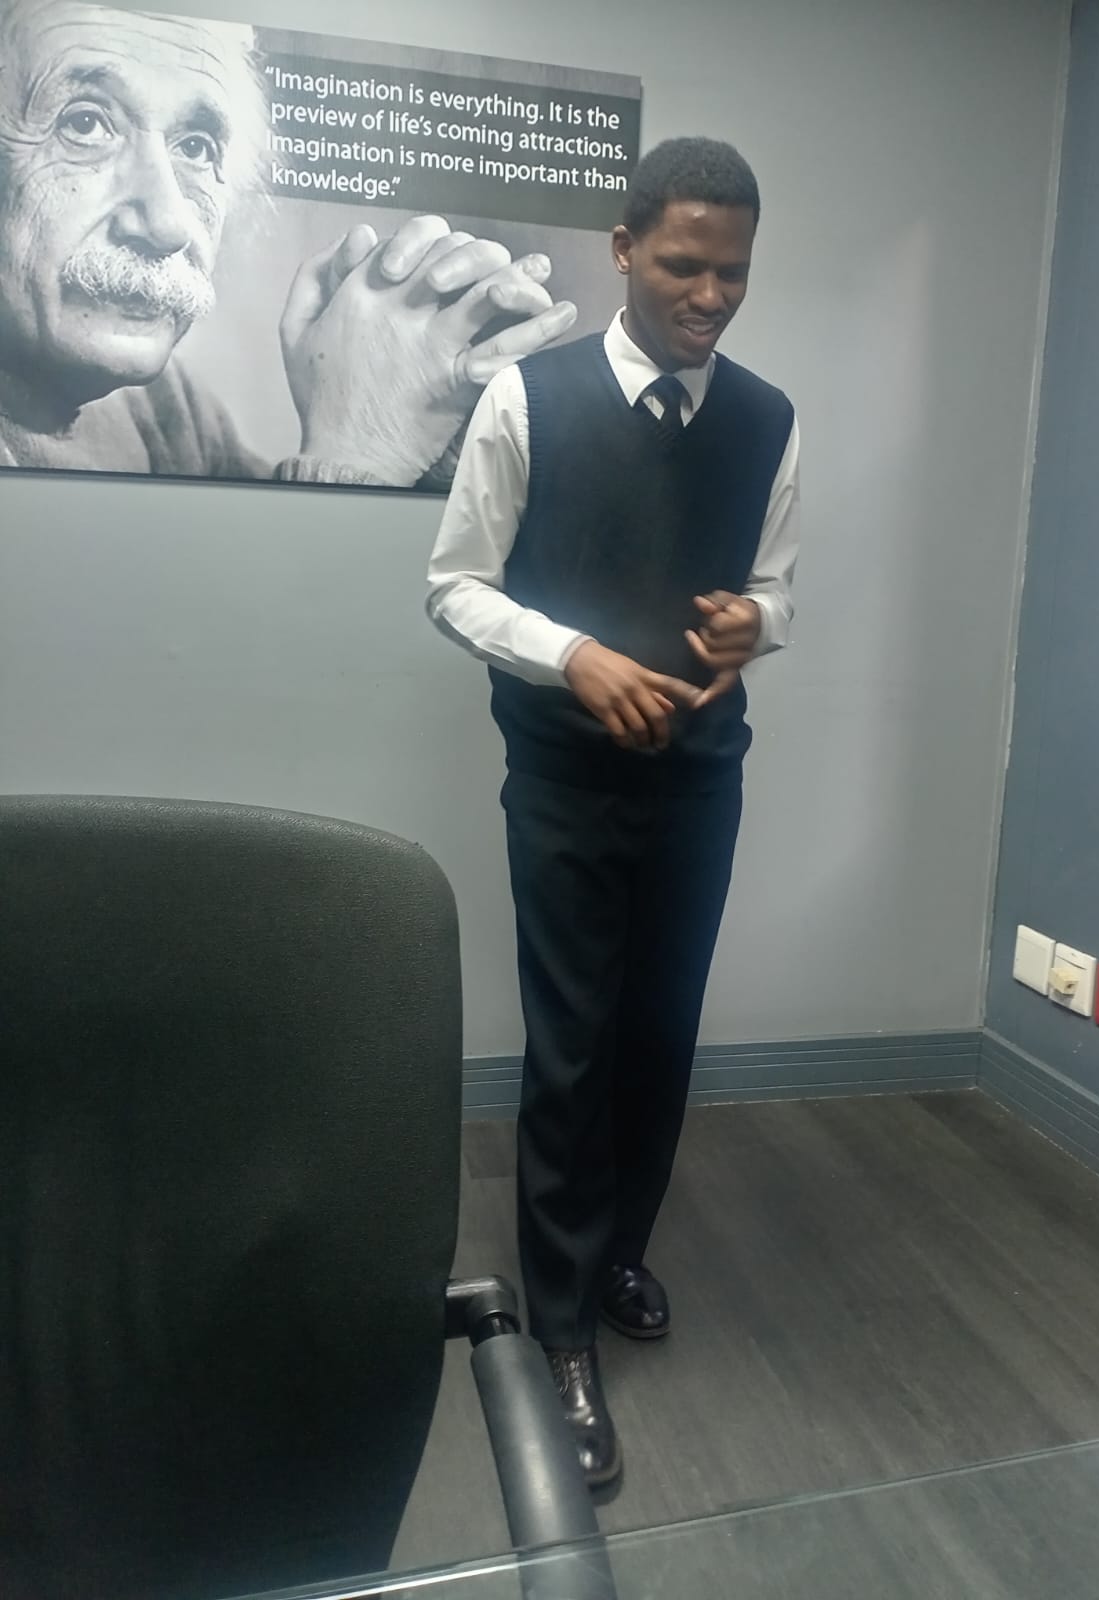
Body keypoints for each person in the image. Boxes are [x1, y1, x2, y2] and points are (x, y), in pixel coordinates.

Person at [426, 137, 799, 1486]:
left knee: (659, 1031)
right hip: (566, 781)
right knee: (573, 1042)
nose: (710, 296)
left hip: (701, 777)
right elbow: (455, 586)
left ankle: (619, 1246)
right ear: (625, 249)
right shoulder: (526, 397)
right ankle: (561, 1322)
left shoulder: (766, 417)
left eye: (733, 273)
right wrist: (573, 655)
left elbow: (777, 583)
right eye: (685, 266)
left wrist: (757, 623)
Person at [0, 0, 576, 483]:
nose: (169, 225)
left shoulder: (162, 407)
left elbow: (251, 559)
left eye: (196, 147)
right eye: (83, 124)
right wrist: (359, 453)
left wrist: (431, 440)